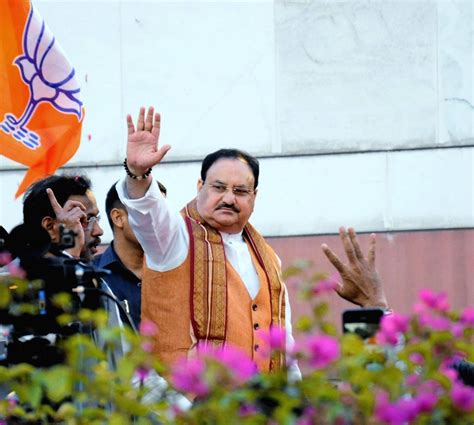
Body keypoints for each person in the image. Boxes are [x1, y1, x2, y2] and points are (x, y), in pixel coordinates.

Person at [116, 106, 387, 376]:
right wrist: (138, 176)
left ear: (254, 196)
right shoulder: (175, 238)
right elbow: (148, 215)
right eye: (218, 187)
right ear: (200, 187)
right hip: (186, 408)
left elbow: (283, 343)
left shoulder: (268, 257)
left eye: (241, 191)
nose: (229, 198)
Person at [94, 181, 167, 329]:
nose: (161, 221)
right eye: (150, 212)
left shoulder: (175, 270)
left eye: (164, 213)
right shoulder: (93, 276)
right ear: (118, 218)